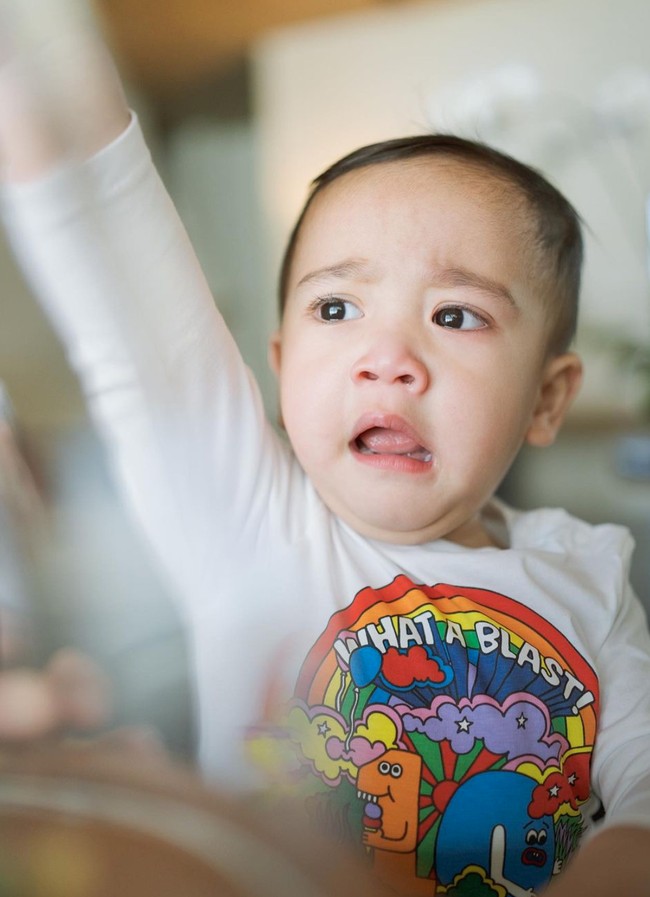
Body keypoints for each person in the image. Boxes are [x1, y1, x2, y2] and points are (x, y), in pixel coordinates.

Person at [0, 5, 649, 895]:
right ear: (281, 366)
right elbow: (111, 248)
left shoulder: (595, 575)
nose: (389, 360)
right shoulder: (252, 519)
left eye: (455, 315)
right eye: (337, 309)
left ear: (546, 398)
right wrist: (37, 40)